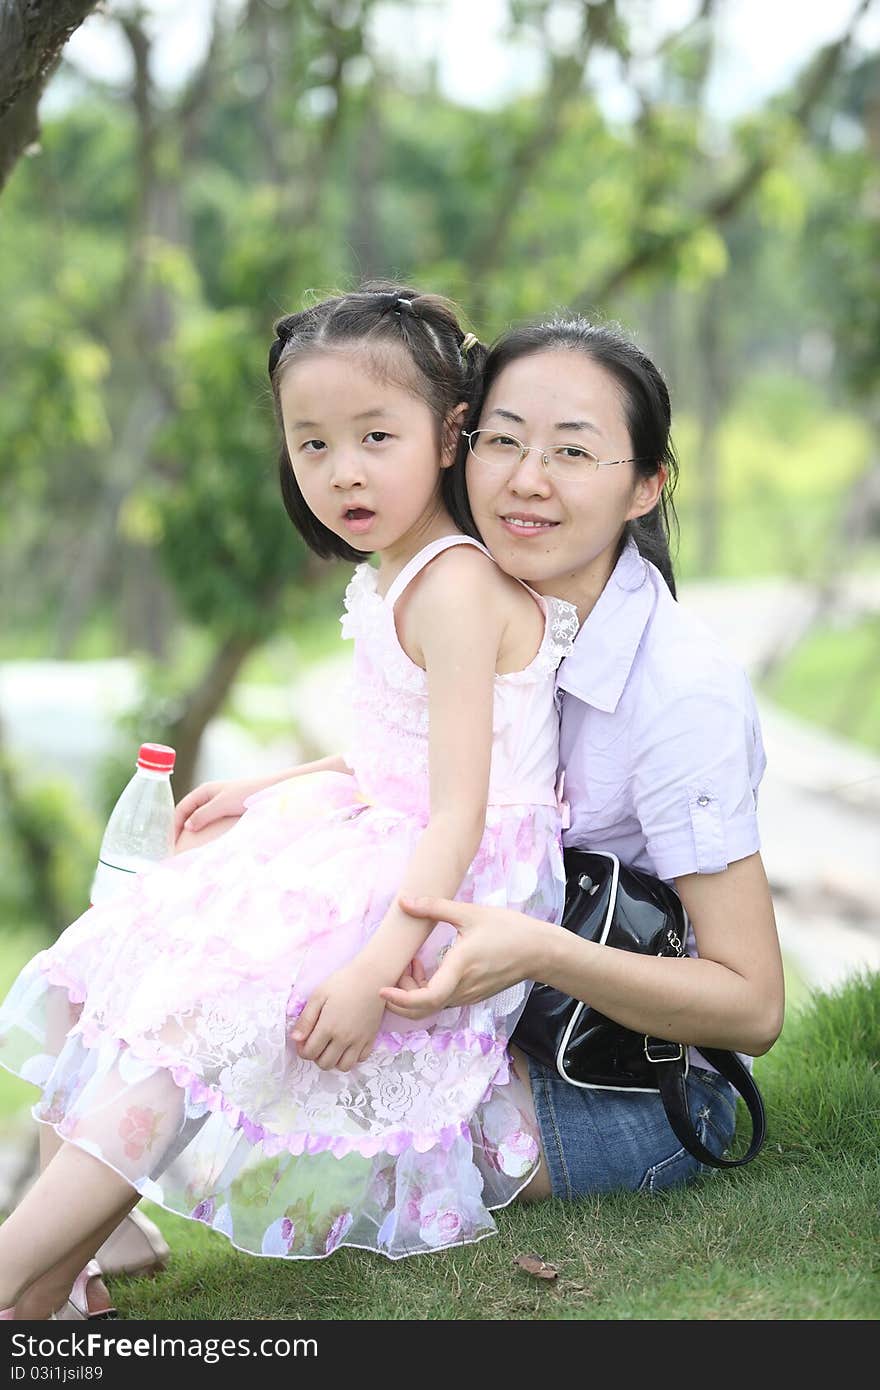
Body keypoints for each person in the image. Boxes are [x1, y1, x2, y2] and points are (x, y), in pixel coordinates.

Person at [0, 283, 581, 1319]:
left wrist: (370, 967)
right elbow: (391, 753)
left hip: (441, 880)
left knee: (198, 1017)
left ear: (450, 435)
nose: (341, 469)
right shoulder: (393, 570)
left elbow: (459, 808)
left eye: (373, 435)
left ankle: (21, 1274)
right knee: (130, 936)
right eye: (311, 444)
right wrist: (273, 786)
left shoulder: (451, 587)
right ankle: (98, 1233)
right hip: (382, 829)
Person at [379, 314, 786, 1201]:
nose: (526, 481)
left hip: (632, 1091)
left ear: (646, 487)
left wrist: (539, 951)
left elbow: (754, 1009)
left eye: (572, 453)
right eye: (504, 442)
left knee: (311, 1119)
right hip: (499, 1030)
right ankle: (87, 1242)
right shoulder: (490, 607)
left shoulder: (680, 693)